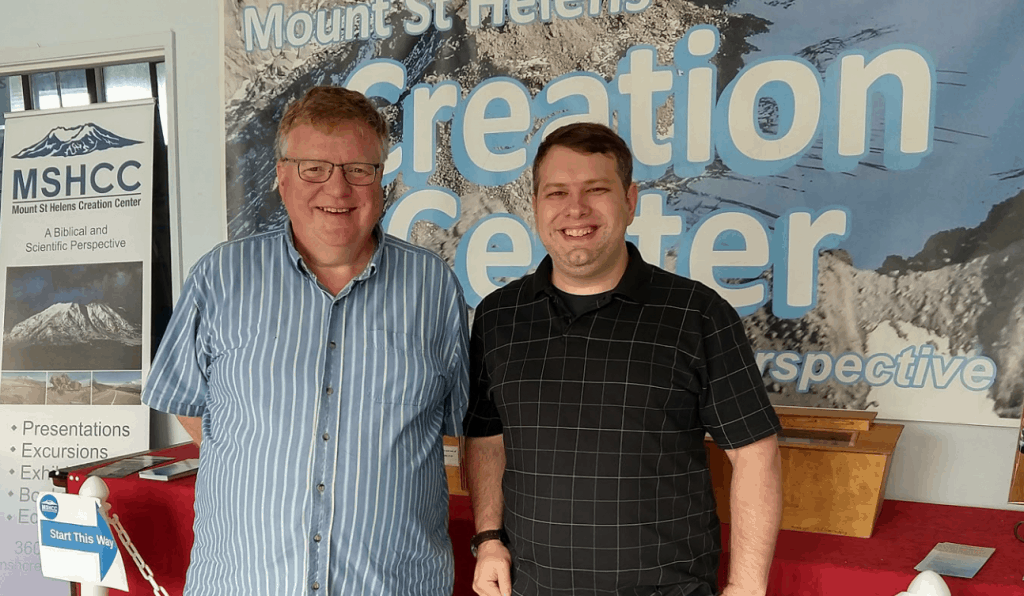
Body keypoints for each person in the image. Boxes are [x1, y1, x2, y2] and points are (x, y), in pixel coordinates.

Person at [143, 86, 469, 596]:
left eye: (358, 169)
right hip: (246, 583)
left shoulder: (434, 289)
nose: (337, 189)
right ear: (281, 176)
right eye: (314, 167)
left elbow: (457, 428)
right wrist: (270, 458)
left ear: (380, 180)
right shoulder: (220, 278)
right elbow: (189, 405)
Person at [463, 122, 782, 596]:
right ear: (534, 207)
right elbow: (487, 437)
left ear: (630, 201)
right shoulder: (498, 317)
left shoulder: (696, 315)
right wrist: (489, 538)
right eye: (556, 192)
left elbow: (756, 453)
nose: (575, 209)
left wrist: (747, 588)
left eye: (597, 189)